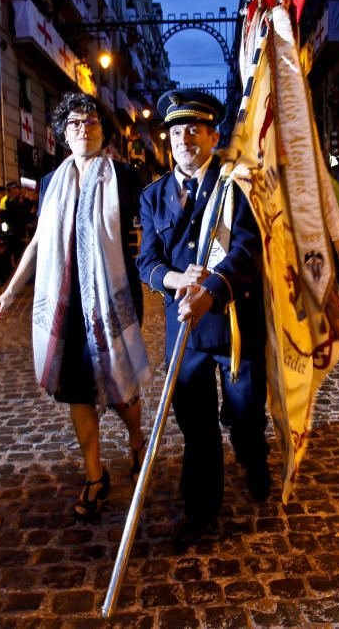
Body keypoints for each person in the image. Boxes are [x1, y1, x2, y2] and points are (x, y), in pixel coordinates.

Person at [0, 91, 149, 521]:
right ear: (62, 134)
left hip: (112, 297)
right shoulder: (53, 182)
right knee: (77, 389)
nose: (83, 129)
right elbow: (40, 241)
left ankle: (136, 440)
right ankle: (95, 476)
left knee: (120, 384)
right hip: (65, 301)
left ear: (104, 131)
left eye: (91, 122)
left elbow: (150, 233)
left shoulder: (124, 177)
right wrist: (10, 291)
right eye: (74, 124)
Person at [136, 89, 271, 552]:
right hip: (186, 329)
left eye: (195, 129)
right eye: (176, 131)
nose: (184, 138)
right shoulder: (153, 197)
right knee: (197, 427)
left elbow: (247, 252)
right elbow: (147, 262)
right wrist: (178, 281)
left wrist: (209, 290)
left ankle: (255, 459)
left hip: (234, 320)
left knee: (245, 414)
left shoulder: (238, 185)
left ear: (213, 136)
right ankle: (201, 509)